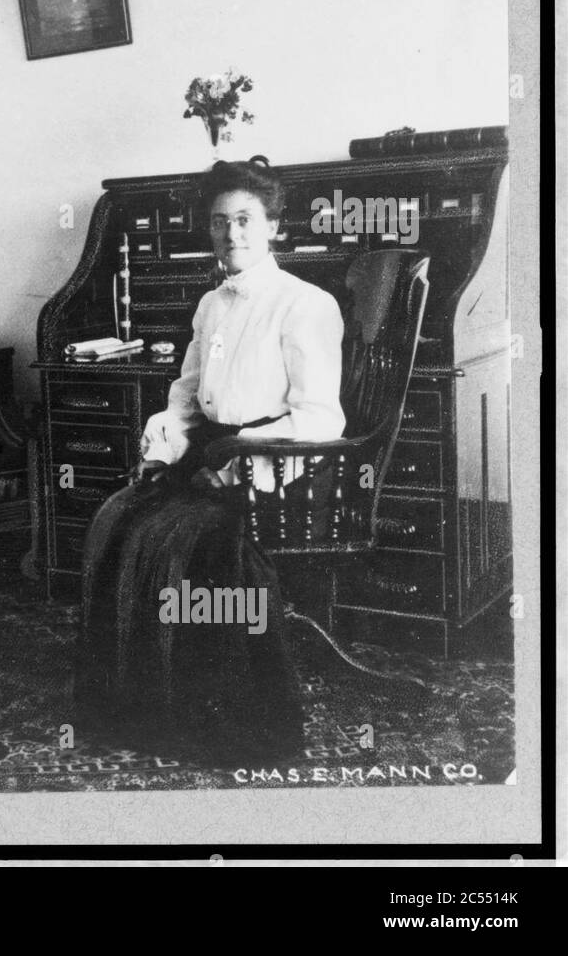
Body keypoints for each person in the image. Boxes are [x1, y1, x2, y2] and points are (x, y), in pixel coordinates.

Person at [75, 156, 346, 761]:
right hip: (213, 462)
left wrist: (241, 450)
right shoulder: (210, 306)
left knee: (190, 539)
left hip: (279, 475)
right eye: (221, 222)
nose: (234, 234)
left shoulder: (305, 304)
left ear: (273, 224)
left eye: (246, 219)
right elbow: (187, 395)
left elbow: (322, 418)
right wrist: (164, 442)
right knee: (120, 516)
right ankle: (138, 706)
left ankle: (222, 716)